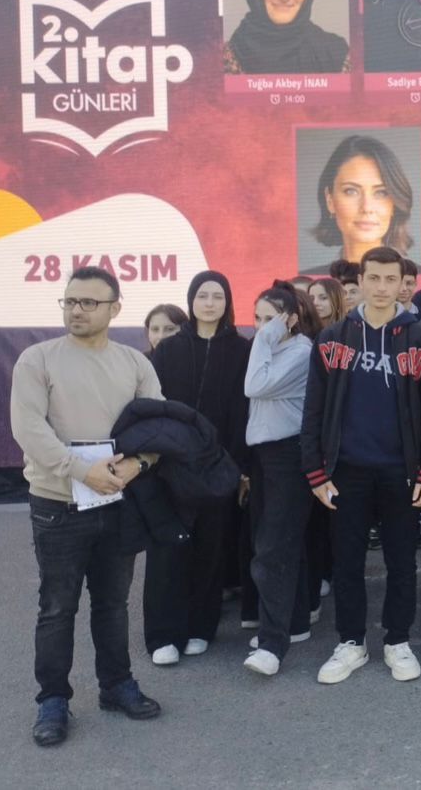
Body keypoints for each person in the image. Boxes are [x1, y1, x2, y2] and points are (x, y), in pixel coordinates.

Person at [11, 266, 164, 747]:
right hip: (57, 504)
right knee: (57, 608)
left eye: (89, 302)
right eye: (70, 301)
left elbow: (158, 426)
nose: (76, 310)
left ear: (115, 308)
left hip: (118, 501)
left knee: (113, 603)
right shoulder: (37, 360)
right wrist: (81, 471)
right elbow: (29, 429)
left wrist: (138, 464)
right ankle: (52, 700)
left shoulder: (134, 363)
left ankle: (116, 685)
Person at [301, 248, 421, 684]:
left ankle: (397, 640)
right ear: (360, 281)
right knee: (347, 562)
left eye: (390, 279)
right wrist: (316, 472)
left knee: (402, 561)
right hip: (347, 470)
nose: (382, 287)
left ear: (402, 284)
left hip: (402, 472)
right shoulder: (333, 339)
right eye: (374, 278)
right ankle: (351, 642)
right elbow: (313, 410)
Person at [145, 271, 250, 665]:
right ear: (191, 301)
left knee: (210, 548)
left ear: (227, 302)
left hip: (218, 468)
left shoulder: (242, 350)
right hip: (169, 465)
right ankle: (162, 636)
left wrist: (237, 466)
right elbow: (153, 408)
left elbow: (245, 412)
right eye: (202, 295)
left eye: (217, 296)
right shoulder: (169, 350)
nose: (209, 303)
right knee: (166, 552)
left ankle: (201, 628)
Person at [241, 283, 321, 676]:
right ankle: (296, 622)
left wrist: (267, 336)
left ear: (290, 319)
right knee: (283, 543)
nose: (261, 327)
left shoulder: (301, 351)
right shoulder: (269, 350)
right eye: (256, 319)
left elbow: (253, 386)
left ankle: (273, 644)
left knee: (273, 551)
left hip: (289, 455)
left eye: (269, 319)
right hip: (264, 457)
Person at [308, 134, 416, 271]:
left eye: (381, 193)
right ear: (330, 201)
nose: (367, 207)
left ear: (394, 204)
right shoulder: (307, 280)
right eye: (351, 191)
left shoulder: (420, 278)